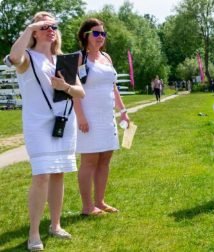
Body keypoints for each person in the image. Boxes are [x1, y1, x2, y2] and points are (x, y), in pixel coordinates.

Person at [4, 11, 85, 251]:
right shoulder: (27, 57)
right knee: (41, 175)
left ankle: (56, 225)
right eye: (44, 25)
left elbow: (80, 93)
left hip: (64, 122)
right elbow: (13, 57)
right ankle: (33, 233)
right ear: (35, 30)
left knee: (59, 173)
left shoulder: (63, 59)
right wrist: (29, 28)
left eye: (53, 26)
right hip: (38, 124)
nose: (50, 29)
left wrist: (65, 86)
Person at [74, 18, 129, 216]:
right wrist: (80, 117)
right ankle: (87, 206)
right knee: (89, 160)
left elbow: (113, 87)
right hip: (88, 116)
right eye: (96, 33)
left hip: (107, 117)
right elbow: (74, 90)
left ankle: (100, 201)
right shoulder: (79, 58)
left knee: (105, 158)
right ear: (85, 35)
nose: (100, 37)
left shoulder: (107, 57)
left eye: (103, 34)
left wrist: (123, 111)